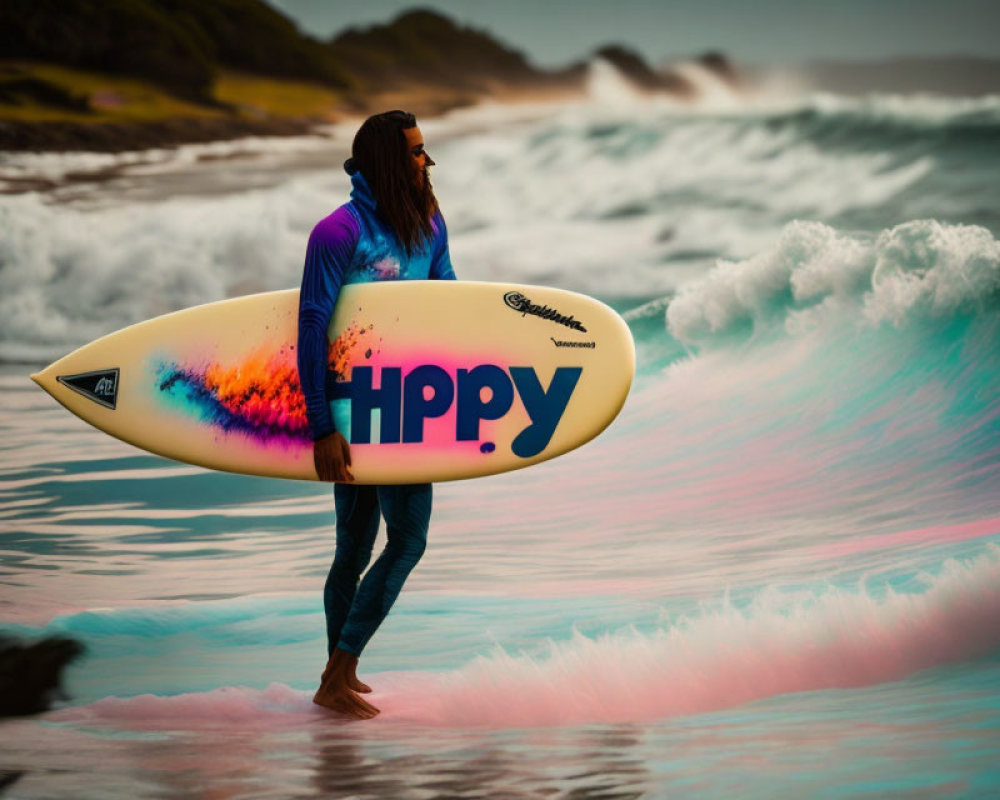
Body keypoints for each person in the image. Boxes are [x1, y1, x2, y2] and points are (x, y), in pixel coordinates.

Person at [297, 110, 456, 719]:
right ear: (391, 161)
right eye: (416, 153)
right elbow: (312, 325)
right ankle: (338, 673)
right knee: (373, 545)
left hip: (409, 409)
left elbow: (449, 303)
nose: (427, 162)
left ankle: (339, 671)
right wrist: (322, 427)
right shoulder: (338, 232)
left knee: (388, 544)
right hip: (354, 413)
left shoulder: (428, 224)